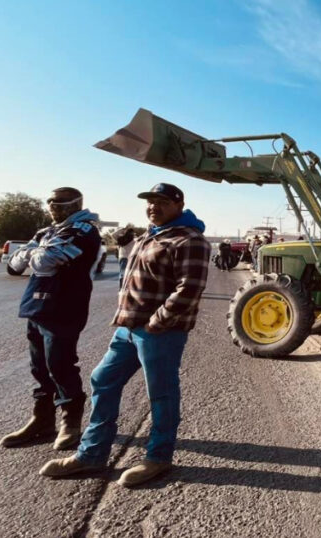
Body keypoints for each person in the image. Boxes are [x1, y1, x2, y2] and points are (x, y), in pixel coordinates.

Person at [40, 183, 210, 487]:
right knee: (102, 379)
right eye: (150, 202)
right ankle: (91, 454)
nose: (153, 207)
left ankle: (158, 457)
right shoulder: (152, 234)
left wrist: (158, 321)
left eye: (161, 202)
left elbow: (190, 288)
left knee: (161, 394)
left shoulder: (189, 239)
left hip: (159, 333)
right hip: (128, 329)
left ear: (178, 204)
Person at [0, 187, 101, 450]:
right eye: (50, 203)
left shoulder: (84, 230)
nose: (52, 207)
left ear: (75, 204)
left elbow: (46, 260)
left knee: (60, 363)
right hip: (36, 305)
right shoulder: (48, 232)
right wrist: (36, 253)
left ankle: (71, 422)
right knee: (39, 366)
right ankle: (42, 419)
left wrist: (33, 252)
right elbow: (14, 265)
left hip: (65, 305)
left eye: (59, 203)